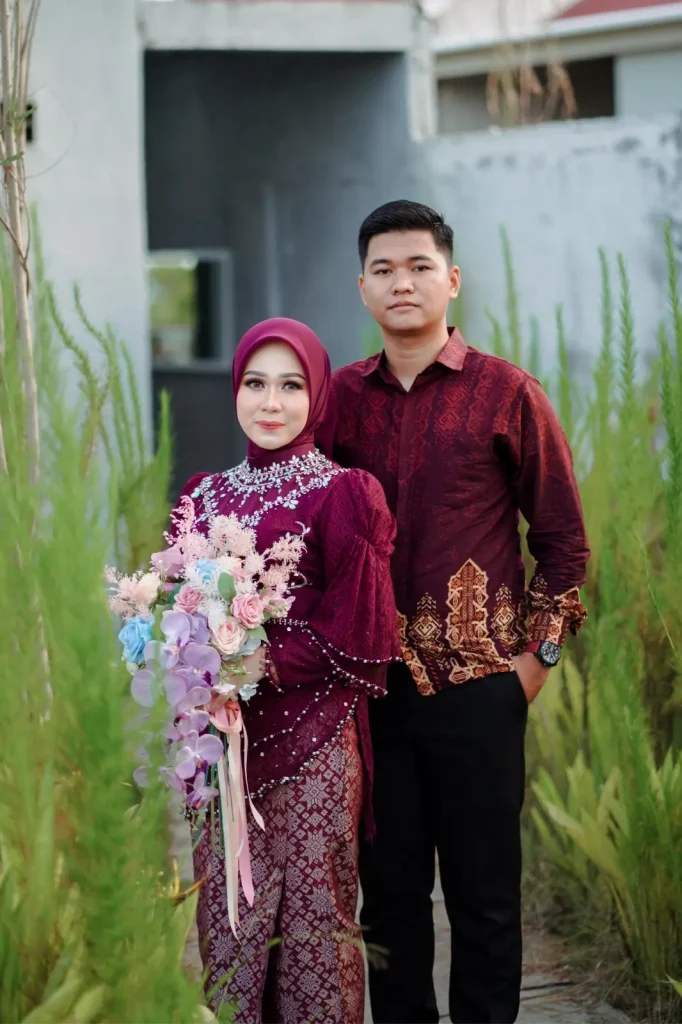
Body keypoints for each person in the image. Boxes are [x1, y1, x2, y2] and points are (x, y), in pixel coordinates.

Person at [328, 200, 590, 1024]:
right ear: (362, 288)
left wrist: (534, 667)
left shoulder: (508, 394)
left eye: (419, 266)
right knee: (389, 905)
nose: (401, 282)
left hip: (482, 689)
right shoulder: (337, 401)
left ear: (452, 280)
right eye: (383, 269)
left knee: (485, 903)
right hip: (371, 698)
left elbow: (564, 543)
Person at [174, 318, 400, 1023]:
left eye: (291, 386)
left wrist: (258, 658)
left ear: (318, 396)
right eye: (255, 383)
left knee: (313, 936)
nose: (271, 403)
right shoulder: (203, 495)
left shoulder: (345, 493)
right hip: (223, 751)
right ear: (235, 390)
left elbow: (363, 633)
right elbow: (178, 616)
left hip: (313, 747)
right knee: (228, 933)